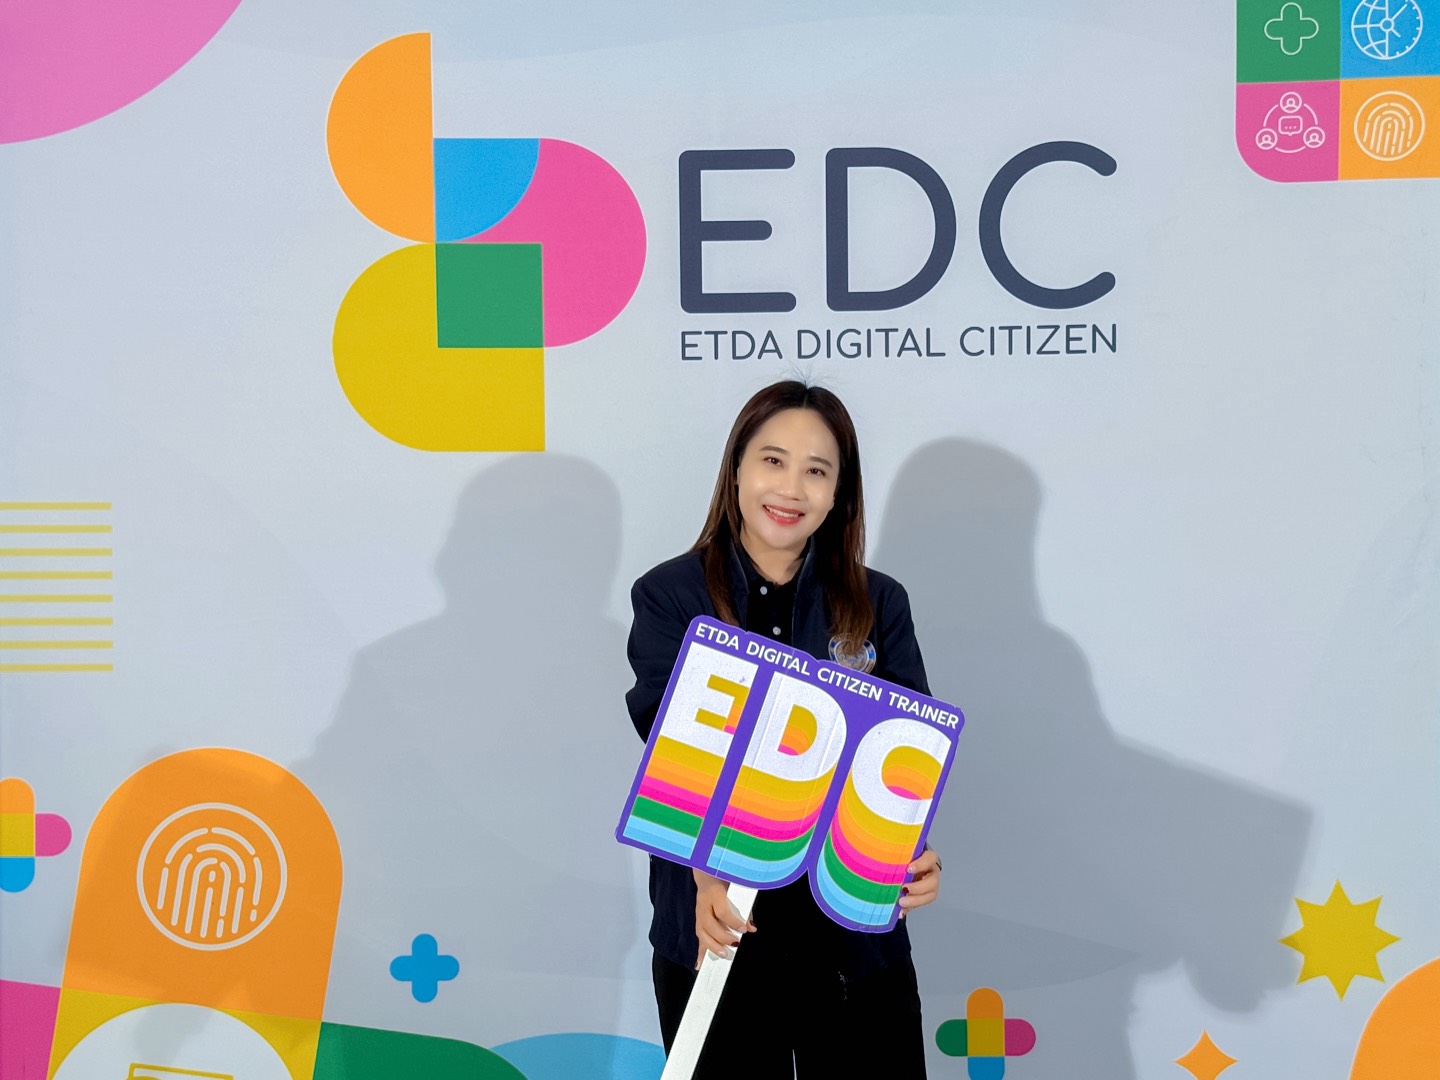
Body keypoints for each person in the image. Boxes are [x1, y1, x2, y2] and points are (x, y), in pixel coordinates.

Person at [625, 380, 941, 1078]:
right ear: (736, 468)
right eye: (773, 460)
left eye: (817, 470)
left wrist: (913, 856)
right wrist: (707, 870)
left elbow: (907, 755)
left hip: (853, 946)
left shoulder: (880, 602)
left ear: (839, 494)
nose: (791, 488)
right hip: (717, 928)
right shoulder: (669, 596)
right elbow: (672, 747)